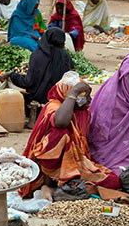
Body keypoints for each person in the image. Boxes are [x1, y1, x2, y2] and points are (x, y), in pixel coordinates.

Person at [18, 71, 120, 200]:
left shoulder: (83, 113)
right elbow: (60, 123)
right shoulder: (54, 107)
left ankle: (59, 190)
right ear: (68, 96)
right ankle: (47, 185)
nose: (89, 100)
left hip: (74, 165)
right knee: (60, 134)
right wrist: (73, 93)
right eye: (84, 97)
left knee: (112, 181)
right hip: (48, 172)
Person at [0, 27, 73, 105]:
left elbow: (29, 82)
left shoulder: (38, 55)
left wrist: (11, 75)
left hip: (40, 97)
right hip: (60, 97)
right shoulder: (66, 55)